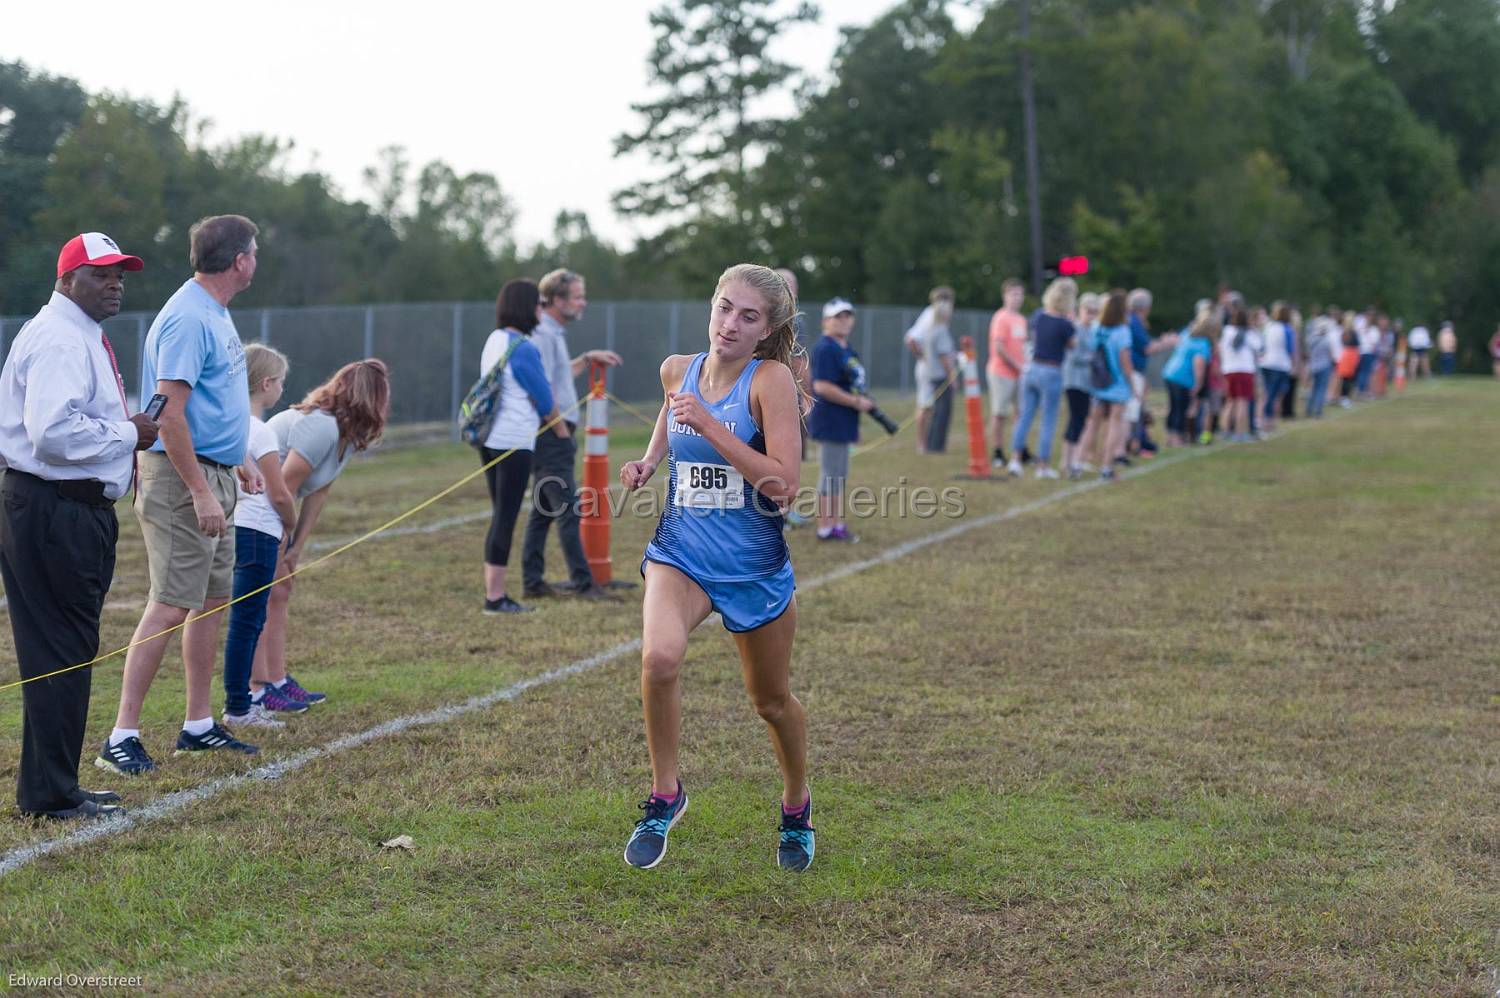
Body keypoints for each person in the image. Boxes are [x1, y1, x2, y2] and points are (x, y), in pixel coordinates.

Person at [618, 263, 812, 872]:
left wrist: (709, 426)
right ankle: (666, 793)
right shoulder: (679, 369)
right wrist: (651, 459)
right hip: (682, 549)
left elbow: (783, 485)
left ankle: (796, 805)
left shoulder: (770, 380)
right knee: (658, 659)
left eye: (748, 316)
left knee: (771, 702)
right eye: (725, 307)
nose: (731, 323)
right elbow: (672, 408)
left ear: (767, 328)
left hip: (752, 563)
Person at [0, 233, 159, 818]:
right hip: (54, 508)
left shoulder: (73, 333)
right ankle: (50, 793)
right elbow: (53, 433)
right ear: (68, 279)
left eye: (120, 273)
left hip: (58, 508)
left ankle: (52, 786)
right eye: (101, 274)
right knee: (61, 649)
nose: (116, 283)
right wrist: (129, 433)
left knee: (62, 648)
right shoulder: (61, 339)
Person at [101, 215, 261, 775]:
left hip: (214, 472)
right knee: (169, 603)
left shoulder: (215, 312)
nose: (255, 261)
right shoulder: (189, 317)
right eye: (254, 252)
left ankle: (197, 725)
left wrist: (236, 458)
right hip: (180, 478)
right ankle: (121, 735)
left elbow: (214, 401)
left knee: (213, 599)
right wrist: (200, 490)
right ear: (239, 260)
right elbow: (167, 415)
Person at [245, 360, 389, 712]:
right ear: (368, 398)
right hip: (256, 508)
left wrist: (297, 549)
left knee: (281, 590)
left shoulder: (347, 435)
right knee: (263, 596)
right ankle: (257, 686)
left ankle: (277, 678)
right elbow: (285, 483)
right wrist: (283, 536)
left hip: (277, 511)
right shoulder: (321, 426)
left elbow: (319, 490)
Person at [520, 269, 621, 601]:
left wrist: (587, 359)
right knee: (567, 509)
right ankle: (583, 583)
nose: (583, 302)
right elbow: (542, 387)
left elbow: (559, 375)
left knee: (543, 509)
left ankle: (532, 581)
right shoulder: (543, 335)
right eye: (577, 297)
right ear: (558, 300)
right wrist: (560, 429)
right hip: (551, 433)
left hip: (553, 431)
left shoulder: (553, 334)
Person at [220, 344, 303, 728]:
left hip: (238, 528)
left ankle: (246, 697)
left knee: (246, 618)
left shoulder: (230, 423)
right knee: (248, 619)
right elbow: (279, 492)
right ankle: (241, 704)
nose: (282, 389)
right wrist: (291, 524)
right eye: (281, 382)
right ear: (266, 384)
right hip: (258, 532)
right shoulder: (261, 430)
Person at [478, 279, 560, 614]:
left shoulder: (495, 339)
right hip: (514, 441)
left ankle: (494, 593)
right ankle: (495, 598)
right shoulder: (524, 347)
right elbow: (544, 398)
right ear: (526, 307)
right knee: (506, 518)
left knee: (501, 515)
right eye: (538, 304)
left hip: (490, 438)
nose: (541, 310)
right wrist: (563, 433)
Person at [808, 297, 873, 542]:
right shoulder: (826, 348)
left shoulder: (846, 348)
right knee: (831, 474)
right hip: (831, 420)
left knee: (839, 474)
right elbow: (823, 386)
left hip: (844, 420)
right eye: (838, 316)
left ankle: (835, 523)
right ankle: (826, 527)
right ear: (826, 321)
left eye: (847, 316)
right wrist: (856, 402)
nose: (844, 321)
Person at [1007, 278, 1076, 479]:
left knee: (1025, 415)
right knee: (1048, 419)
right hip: (1051, 371)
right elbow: (1072, 345)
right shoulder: (1065, 324)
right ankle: (1043, 465)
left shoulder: (1038, 316)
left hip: (1032, 369)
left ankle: (1015, 459)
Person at [1088, 290, 1136, 481]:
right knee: (1115, 424)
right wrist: (1133, 384)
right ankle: (1107, 466)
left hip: (1098, 381)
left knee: (1093, 423)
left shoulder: (1096, 328)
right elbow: (1125, 362)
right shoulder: (1122, 332)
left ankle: (1081, 460)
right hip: (1117, 384)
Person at [903, 287, 955, 454]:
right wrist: (922, 356)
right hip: (929, 369)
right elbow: (910, 339)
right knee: (925, 405)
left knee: (932, 407)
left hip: (931, 367)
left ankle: (929, 443)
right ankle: (922, 444)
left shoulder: (937, 315)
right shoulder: (930, 314)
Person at [986, 279, 1028, 468]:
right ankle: (998, 451)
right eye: (1013, 294)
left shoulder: (1021, 319)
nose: (1016, 298)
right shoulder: (1001, 318)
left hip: (1019, 374)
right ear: (1005, 296)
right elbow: (999, 347)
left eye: (1019, 294)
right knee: (999, 413)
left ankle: (1020, 449)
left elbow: (1023, 347)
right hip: (1001, 373)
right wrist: (1017, 365)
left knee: (1020, 413)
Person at [1161, 305, 1216, 447]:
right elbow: (1198, 365)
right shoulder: (1202, 343)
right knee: (1180, 408)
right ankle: (1176, 438)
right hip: (1182, 378)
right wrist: (1197, 385)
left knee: (1173, 407)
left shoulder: (1187, 333)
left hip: (1170, 373)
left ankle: (1169, 436)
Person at [1061, 292, 1101, 479]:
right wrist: (1093, 359)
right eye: (1088, 311)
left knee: (1079, 420)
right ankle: (1069, 462)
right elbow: (1075, 355)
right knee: (1077, 420)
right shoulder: (1076, 329)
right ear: (1080, 310)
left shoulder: (1091, 330)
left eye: (1095, 312)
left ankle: (1072, 460)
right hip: (1074, 381)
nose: (1091, 315)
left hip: (1085, 382)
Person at [920, 288, 958, 454]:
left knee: (936, 412)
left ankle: (930, 444)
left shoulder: (931, 330)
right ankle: (937, 446)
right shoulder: (941, 330)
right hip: (941, 377)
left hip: (932, 375)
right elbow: (944, 357)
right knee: (943, 413)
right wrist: (952, 376)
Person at [1219, 304, 1259, 441]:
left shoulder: (1227, 331)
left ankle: (1225, 430)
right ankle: (1239, 432)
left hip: (1229, 370)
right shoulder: (1249, 333)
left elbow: (1221, 349)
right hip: (1245, 370)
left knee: (1230, 401)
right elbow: (1259, 348)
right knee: (1242, 402)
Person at [1258, 303, 1296, 433]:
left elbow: (1262, 345)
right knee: (1274, 394)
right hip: (1280, 364)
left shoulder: (1268, 326)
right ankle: (1268, 420)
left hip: (1266, 363)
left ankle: (1262, 418)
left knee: (1266, 392)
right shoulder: (1287, 329)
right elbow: (1290, 349)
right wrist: (1293, 364)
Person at [1303, 310, 1338, 418]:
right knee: (1321, 389)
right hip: (1324, 366)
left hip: (1313, 366)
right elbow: (1331, 355)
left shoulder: (1311, 339)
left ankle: (1308, 410)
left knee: (1312, 389)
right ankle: (1318, 411)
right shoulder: (1327, 341)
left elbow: (1307, 352)